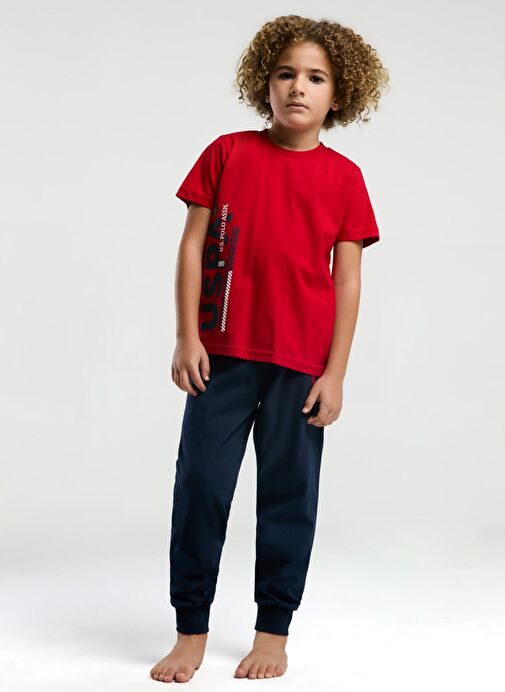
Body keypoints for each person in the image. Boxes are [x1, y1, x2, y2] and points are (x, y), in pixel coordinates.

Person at [150, 14, 389, 684]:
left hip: (300, 367)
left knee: (289, 496)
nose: (298, 87)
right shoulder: (227, 153)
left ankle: (272, 632)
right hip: (222, 357)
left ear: (338, 95)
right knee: (200, 488)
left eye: (315, 77)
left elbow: (347, 279)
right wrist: (187, 335)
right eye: (285, 73)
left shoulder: (345, 178)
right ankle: (190, 631)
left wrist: (335, 373)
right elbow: (193, 245)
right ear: (265, 83)